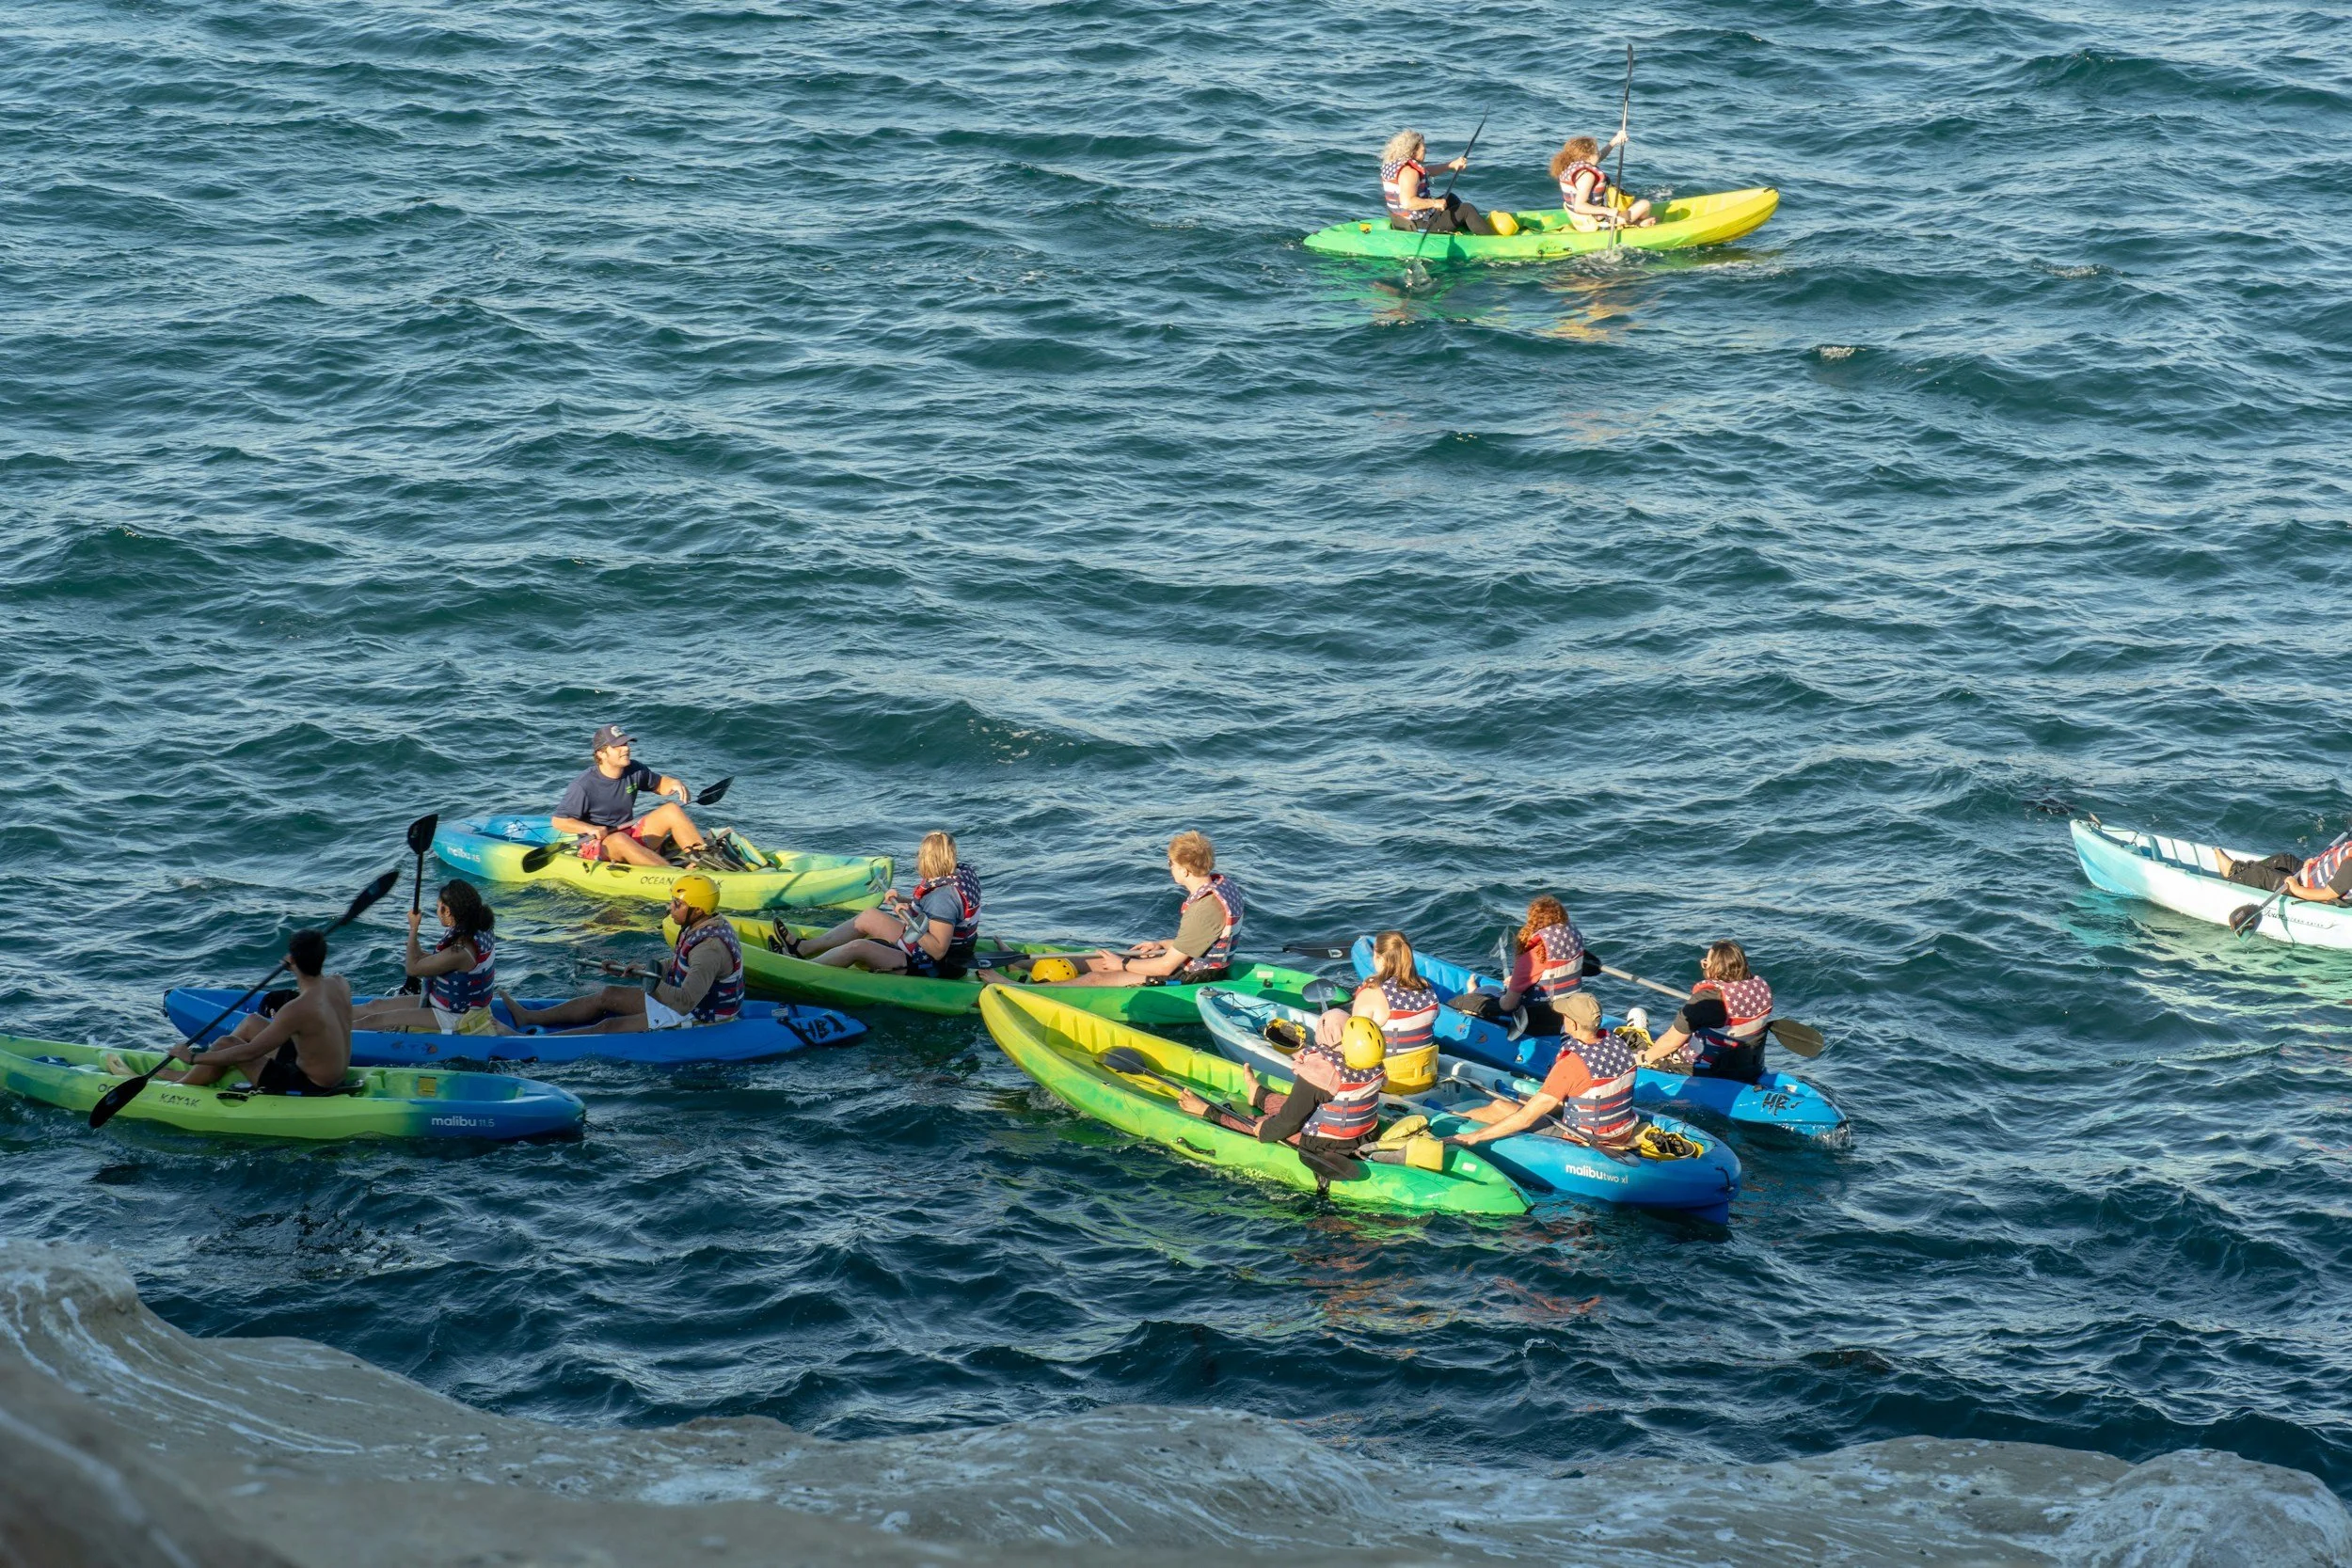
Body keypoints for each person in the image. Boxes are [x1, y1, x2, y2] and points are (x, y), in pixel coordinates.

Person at [501, 876, 744, 1033]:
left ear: (698, 909)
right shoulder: (699, 925)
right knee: (608, 994)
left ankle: (535, 1043)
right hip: (685, 1002)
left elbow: (684, 1003)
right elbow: (680, 963)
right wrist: (640, 968)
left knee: (609, 1026)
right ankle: (529, 1017)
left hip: (700, 1016)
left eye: (677, 904)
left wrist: (649, 982)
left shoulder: (709, 950)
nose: (670, 907)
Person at [1006, 832, 1242, 990]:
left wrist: (1124, 965)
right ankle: (1018, 964)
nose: (1170, 868)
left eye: (1171, 863)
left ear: (1185, 871)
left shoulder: (1204, 909)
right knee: (1099, 959)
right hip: (1187, 963)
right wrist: (1160, 944)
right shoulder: (1220, 885)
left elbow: (1165, 967)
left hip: (1189, 979)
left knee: (1095, 977)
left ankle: (1017, 989)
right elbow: (1203, 941)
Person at [146, 929, 353, 1094]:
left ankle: (183, 1083)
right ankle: (204, 1072)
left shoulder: (296, 1009)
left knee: (225, 1043)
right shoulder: (339, 983)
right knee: (253, 1021)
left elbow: (250, 1052)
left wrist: (191, 1057)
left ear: (291, 960)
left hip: (310, 1085)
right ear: (322, 957)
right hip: (330, 1071)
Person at [1179, 1014, 1387, 1164]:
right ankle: (1260, 1096)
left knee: (1259, 1123)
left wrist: (1266, 1131)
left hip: (1323, 1143)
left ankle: (1208, 1111)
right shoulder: (1372, 1064)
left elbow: (1288, 1123)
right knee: (1291, 1102)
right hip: (1364, 1135)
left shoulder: (1321, 1072)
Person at [1449, 992, 1640, 1150]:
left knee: (1500, 1107)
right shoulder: (1618, 1044)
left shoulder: (1572, 1064)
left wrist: (1475, 1136)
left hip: (1586, 1138)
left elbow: (1525, 1119)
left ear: (1572, 1024)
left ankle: (1448, 1118)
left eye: (1565, 1016)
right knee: (1529, 1100)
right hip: (1623, 1131)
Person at [780, 831, 982, 977]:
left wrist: (909, 916)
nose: (917, 859)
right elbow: (936, 912)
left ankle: (800, 971)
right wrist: (902, 900)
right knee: (868, 916)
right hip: (921, 948)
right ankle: (803, 948)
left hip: (933, 965)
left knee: (858, 947)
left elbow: (938, 950)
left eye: (920, 855)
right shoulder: (957, 876)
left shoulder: (943, 896)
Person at [351, 880, 513, 1037]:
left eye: (438, 907)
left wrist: (414, 928)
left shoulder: (462, 951)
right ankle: (328, 1018)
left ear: (447, 911)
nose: (436, 911)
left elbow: (412, 969)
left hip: (454, 1016)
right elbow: (441, 964)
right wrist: (418, 953)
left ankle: (332, 1038)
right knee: (375, 1006)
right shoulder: (475, 929)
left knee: (374, 1020)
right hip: (442, 1002)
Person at [550, 724, 720, 870]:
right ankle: (671, 874)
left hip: (630, 833)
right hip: (600, 845)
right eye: (618, 746)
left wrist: (674, 783)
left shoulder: (634, 769)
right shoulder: (583, 785)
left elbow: (659, 784)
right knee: (619, 839)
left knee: (672, 810)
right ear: (601, 754)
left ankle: (703, 860)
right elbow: (559, 821)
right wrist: (590, 829)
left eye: (625, 744)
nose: (626, 748)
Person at [1638, 940, 1773, 1083]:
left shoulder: (1707, 999)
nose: (1705, 967)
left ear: (1715, 968)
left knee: (1639, 1048)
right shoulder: (1762, 987)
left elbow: (1672, 1042)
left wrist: (1643, 1058)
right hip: (1749, 1067)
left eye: (1706, 963)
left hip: (1706, 1070)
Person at [1455, 895, 1591, 1035]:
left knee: (1471, 998)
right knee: (1494, 989)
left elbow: (1507, 1006)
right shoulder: (1575, 946)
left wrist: (1515, 984)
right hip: (1567, 1015)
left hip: (1536, 1021)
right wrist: (1518, 981)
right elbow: (1551, 975)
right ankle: (1480, 990)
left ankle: (1472, 993)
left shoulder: (1533, 956)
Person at [1353, 929, 1440, 1093]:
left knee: (1333, 1019)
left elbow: (1355, 1045)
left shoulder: (1372, 994)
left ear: (1378, 958)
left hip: (1389, 1082)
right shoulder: (1428, 989)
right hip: (1427, 1076)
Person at [1381, 129, 1495, 236]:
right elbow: (1407, 203)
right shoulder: (1410, 173)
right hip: (1417, 225)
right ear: (1413, 151)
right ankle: (1491, 240)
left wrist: (1451, 165)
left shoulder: (1399, 165)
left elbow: (1428, 171)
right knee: (1466, 209)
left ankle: (1468, 226)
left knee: (1450, 198)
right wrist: (1434, 203)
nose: (1426, 151)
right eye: (1423, 149)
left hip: (1401, 221)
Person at [2215, 832, 2352, 905]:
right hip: (2311, 875)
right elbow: (2333, 861)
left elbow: (2327, 894)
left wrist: (2296, 888)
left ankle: (2233, 877)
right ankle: (2238, 869)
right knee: (2284, 859)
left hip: (2312, 889)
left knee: (2261, 875)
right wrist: (2315, 864)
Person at [1551, 133, 1653, 230]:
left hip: (1581, 220)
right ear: (1587, 157)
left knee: (1628, 205)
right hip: (1597, 222)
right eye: (1597, 152)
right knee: (1645, 204)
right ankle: (1636, 224)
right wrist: (1607, 211)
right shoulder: (1587, 176)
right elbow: (1579, 206)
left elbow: (1600, 156)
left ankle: (1630, 222)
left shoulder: (1571, 166)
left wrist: (1615, 141)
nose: (1599, 154)